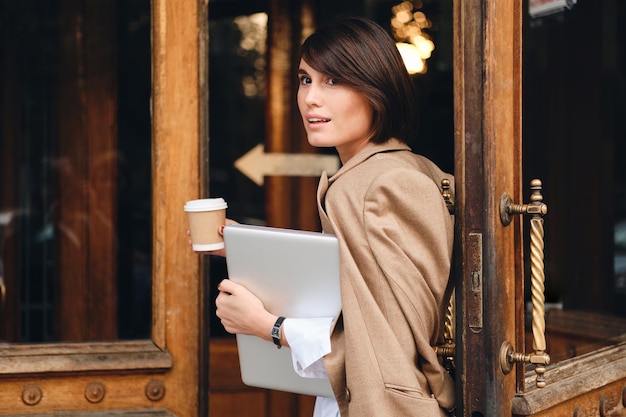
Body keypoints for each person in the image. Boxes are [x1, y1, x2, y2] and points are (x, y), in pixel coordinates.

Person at [211, 17, 455, 417]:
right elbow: (356, 296)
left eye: (334, 81)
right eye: (306, 80)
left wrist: (268, 326)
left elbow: (389, 348)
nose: (310, 98)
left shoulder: (381, 185)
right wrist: (247, 250)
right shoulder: (398, 172)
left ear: (378, 91)